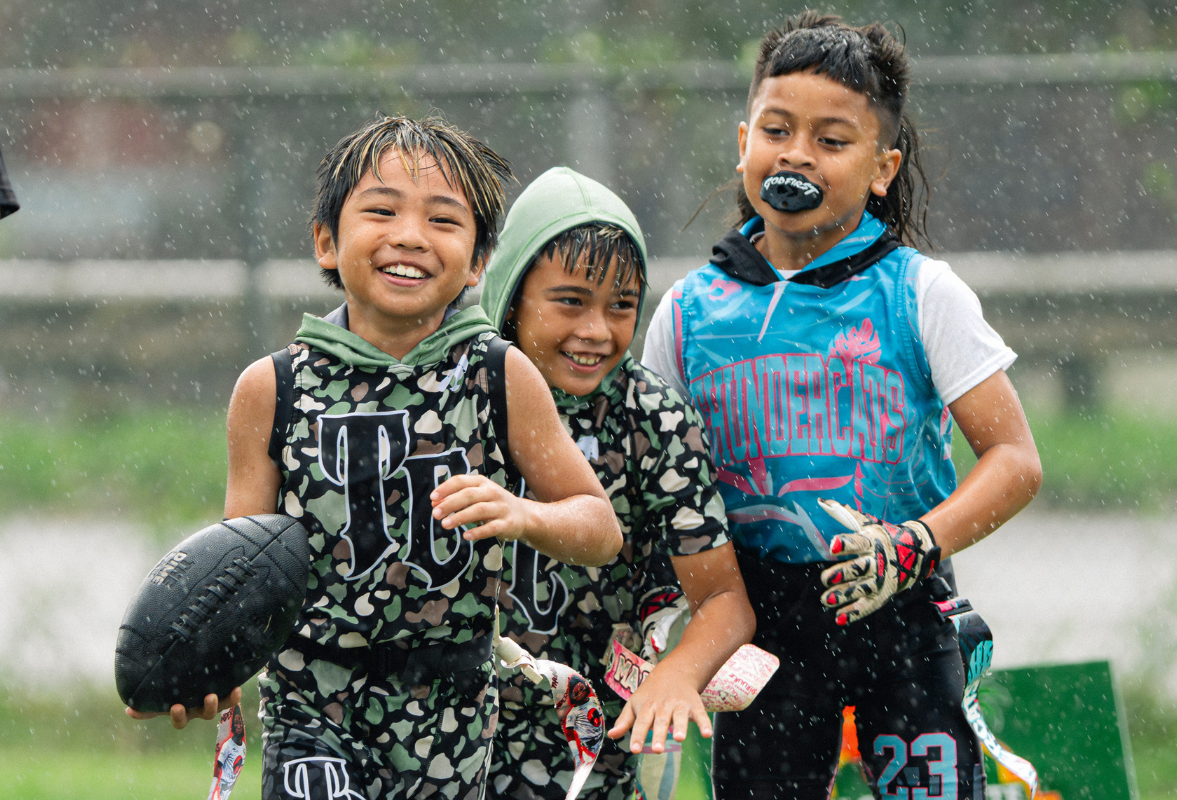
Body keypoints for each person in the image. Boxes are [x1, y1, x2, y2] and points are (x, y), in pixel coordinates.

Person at [128, 115, 623, 800]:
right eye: (382, 211)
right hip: (312, 702)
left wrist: (521, 513)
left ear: (479, 259)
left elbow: (600, 529)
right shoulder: (272, 388)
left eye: (444, 221)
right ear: (327, 242)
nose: (410, 236)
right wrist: (201, 669)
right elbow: (241, 577)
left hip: (451, 716)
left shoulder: (498, 375)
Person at [640, 13, 1043, 800]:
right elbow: (653, 484)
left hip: (903, 604)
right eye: (777, 129)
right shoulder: (687, 312)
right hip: (762, 625)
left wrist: (914, 544)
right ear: (742, 141)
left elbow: (1016, 461)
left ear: (882, 168)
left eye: (831, 139)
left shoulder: (921, 293)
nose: (796, 153)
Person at [479, 167, 756, 800]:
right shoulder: (460, 395)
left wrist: (677, 677)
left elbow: (724, 601)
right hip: (452, 725)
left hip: (590, 733)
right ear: (512, 295)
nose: (597, 330)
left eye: (621, 305)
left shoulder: (653, 419)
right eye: (571, 300)